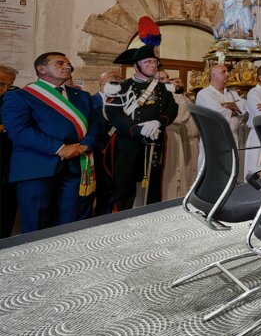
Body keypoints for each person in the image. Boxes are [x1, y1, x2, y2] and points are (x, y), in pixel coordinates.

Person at [3, 52, 102, 234]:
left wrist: (86, 144)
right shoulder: (21, 96)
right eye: (60, 63)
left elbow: (97, 124)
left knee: (70, 224)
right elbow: (20, 131)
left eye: (69, 64)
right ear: (41, 69)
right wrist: (60, 148)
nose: (68, 66)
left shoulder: (82, 96)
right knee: (36, 225)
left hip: (75, 167)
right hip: (37, 169)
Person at [105, 46, 179, 211]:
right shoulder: (121, 87)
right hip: (128, 141)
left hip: (154, 140)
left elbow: (172, 109)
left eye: (154, 61)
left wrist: (158, 122)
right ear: (136, 66)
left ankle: (152, 216)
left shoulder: (163, 88)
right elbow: (114, 114)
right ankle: (120, 219)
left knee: (154, 183)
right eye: (147, 62)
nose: (153, 65)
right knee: (124, 184)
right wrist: (136, 129)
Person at [157, 70, 200, 202]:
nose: (168, 81)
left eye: (167, 78)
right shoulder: (163, 97)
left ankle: (180, 198)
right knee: (171, 173)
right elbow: (178, 118)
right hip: (166, 136)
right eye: (162, 79)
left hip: (177, 137)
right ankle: (168, 199)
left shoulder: (175, 97)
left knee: (181, 171)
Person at [91, 71, 122, 217]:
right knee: (102, 188)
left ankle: (115, 215)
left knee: (117, 186)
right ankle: (101, 217)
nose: (115, 84)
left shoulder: (122, 102)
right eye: (111, 81)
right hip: (99, 152)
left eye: (118, 81)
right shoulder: (91, 101)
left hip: (119, 151)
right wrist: (101, 147)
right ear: (101, 83)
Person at [195, 63, 246, 142]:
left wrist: (226, 105)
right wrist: (236, 109)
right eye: (223, 72)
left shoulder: (232, 93)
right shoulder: (204, 93)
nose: (227, 74)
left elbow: (245, 107)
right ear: (214, 75)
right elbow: (218, 113)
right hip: (214, 138)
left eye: (227, 72)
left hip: (233, 137)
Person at [0, 63, 20, 236]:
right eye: (1, 84)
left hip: (8, 163)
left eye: (9, 85)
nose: (5, 90)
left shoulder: (13, 98)